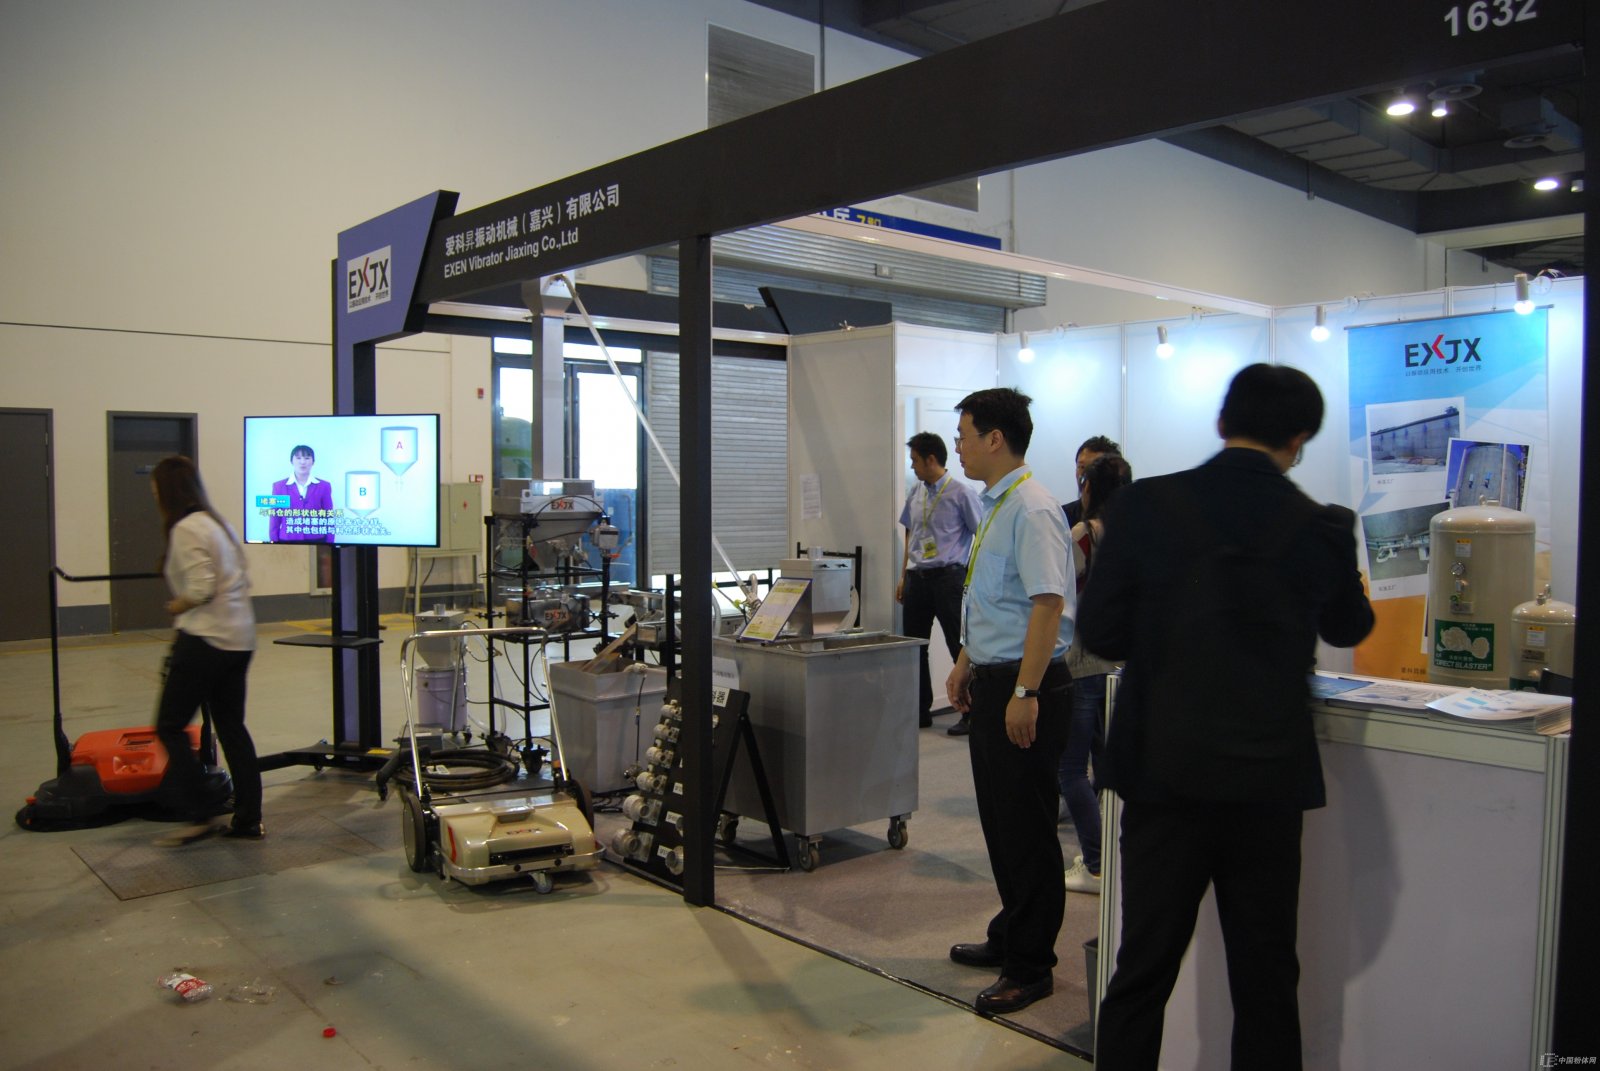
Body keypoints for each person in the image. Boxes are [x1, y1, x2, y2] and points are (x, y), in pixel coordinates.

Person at [1080, 364, 1374, 1069]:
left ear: (1220, 423)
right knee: (1266, 978)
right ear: (1299, 440)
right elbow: (1349, 625)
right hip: (1266, 784)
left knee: (1141, 971)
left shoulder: (1143, 506)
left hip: (1162, 775)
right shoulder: (1322, 525)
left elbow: (1102, 633)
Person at [943, 387, 1074, 1017]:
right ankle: (1011, 931)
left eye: (964, 435)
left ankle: (1031, 965)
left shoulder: (1033, 508)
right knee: (1001, 821)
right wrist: (965, 662)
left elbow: (1047, 605)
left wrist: (1025, 691)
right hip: (995, 680)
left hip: (1028, 686)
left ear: (995, 438)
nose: (959, 447)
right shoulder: (996, 504)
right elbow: (995, 600)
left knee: (1027, 828)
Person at [151, 456, 264, 842]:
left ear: (166, 491)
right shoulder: (218, 523)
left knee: (169, 726)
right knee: (231, 727)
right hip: (239, 638)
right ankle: (248, 818)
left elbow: (201, 589)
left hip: (206, 640)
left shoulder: (186, 528)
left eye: (155, 489)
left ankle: (200, 811)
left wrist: (175, 606)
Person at [1059, 451, 1133, 896]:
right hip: (1121, 665)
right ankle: (1112, 858)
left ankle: (1096, 863)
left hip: (1082, 661)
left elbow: (1060, 596)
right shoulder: (1136, 532)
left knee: (1070, 769)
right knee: (1107, 766)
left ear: (1088, 487)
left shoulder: (1082, 534)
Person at [897, 431, 982, 733]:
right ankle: (920, 711)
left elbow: (981, 533)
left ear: (931, 459)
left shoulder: (961, 493)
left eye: (915, 460)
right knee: (914, 647)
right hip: (917, 578)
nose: (912, 466)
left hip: (949, 578)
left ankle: (971, 713)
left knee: (958, 646)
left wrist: (973, 577)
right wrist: (902, 575)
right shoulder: (916, 492)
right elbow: (910, 533)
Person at [268, 444, 334, 542]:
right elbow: (275, 518)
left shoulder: (324, 486)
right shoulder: (279, 487)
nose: (302, 462)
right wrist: (274, 542)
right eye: (298, 458)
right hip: (287, 540)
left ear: (313, 462)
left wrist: (329, 543)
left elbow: (329, 517)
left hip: (316, 540)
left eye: (307, 458)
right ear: (291, 461)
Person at [1063, 434, 1120, 528]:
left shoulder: (1125, 516)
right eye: (1081, 467)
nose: (1085, 475)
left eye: (1094, 468)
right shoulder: (1063, 516)